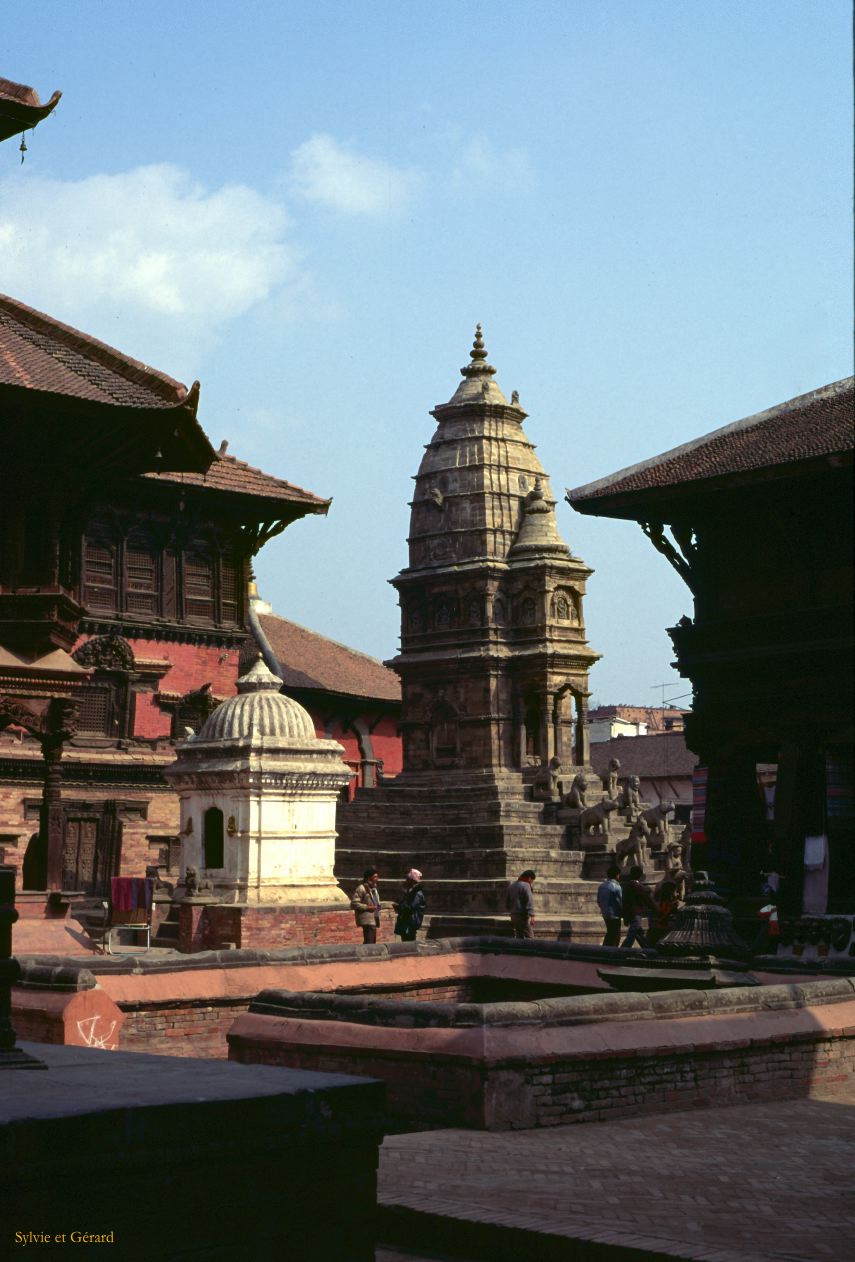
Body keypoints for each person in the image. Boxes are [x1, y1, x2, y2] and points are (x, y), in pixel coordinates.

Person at [619, 865, 656, 949]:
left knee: (639, 933)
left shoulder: (626, 886)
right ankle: (624, 949)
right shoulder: (637, 886)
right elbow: (647, 899)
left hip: (629, 913)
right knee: (632, 933)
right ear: (640, 875)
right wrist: (656, 909)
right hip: (636, 913)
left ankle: (647, 948)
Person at [394, 868, 426, 941]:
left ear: (411, 881)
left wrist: (399, 906)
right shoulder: (410, 891)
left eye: (407, 879)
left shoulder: (417, 893)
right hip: (407, 921)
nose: (406, 881)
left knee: (409, 943)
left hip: (411, 922)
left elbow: (411, 907)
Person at [351, 867, 382, 944]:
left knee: (371, 942)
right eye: (375, 877)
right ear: (368, 877)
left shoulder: (374, 889)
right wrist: (368, 907)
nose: (377, 879)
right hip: (367, 920)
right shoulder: (361, 888)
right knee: (369, 943)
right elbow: (354, 904)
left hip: (374, 918)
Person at [597, 863, 623, 946]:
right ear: (616, 875)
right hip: (614, 914)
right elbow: (620, 901)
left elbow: (598, 901)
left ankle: (605, 950)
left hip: (605, 913)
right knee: (615, 935)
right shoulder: (616, 887)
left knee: (610, 933)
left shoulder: (601, 886)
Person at [506, 869, 536, 938]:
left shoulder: (512, 885)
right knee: (530, 936)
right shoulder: (526, 886)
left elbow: (507, 903)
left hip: (513, 915)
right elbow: (529, 901)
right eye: (532, 880)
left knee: (519, 936)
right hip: (522, 916)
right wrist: (532, 915)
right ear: (529, 878)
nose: (531, 882)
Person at [649, 879, 680, 946]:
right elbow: (665, 915)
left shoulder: (662, 902)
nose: (677, 893)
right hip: (665, 931)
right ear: (671, 891)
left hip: (660, 929)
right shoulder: (670, 904)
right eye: (675, 891)